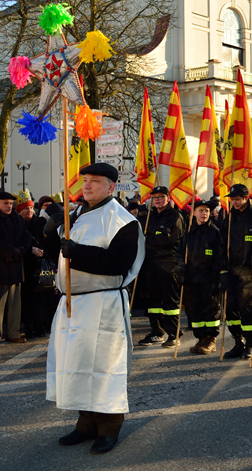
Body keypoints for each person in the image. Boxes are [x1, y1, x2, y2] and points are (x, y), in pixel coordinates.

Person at [49, 162, 144, 455]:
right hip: (73, 303)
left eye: (95, 181)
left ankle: (109, 427)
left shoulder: (123, 221)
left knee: (104, 368)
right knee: (76, 365)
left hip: (103, 304)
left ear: (111, 186)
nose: (87, 185)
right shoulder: (75, 214)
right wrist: (49, 233)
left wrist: (79, 253)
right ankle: (85, 422)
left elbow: (117, 263)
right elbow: (61, 254)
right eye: (85, 180)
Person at [220, 184, 252, 359]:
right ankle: (237, 342)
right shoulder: (228, 217)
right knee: (230, 309)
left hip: (249, 273)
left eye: (238, 199)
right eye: (232, 200)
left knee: (247, 309)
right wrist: (223, 270)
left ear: (247, 198)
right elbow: (221, 245)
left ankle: (250, 344)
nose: (235, 202)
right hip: (231, 271)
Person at [0, 191, 32, 346]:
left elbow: (26, 236)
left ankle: (13, 333)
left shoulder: (17, 218)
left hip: (15, 265)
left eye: (10, 203)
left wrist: (20, 250)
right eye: (5, 203)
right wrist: (10, 251)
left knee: (15, 303)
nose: (9, 206)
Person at [136, 186, 185, 348]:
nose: (157, 200)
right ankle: (157, 332)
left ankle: (174, 333)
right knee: (153, 300)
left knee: (170, 301)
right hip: (150, 264)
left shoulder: (174, 216)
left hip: (169, 264)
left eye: (161, 197)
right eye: (155, 197)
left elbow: (168, 239)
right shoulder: (150, 216)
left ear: (168, 198)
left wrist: (147, 240)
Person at [177, 199, 225, 354]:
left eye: (206, 211)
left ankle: (211, 339)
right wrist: (181, 272)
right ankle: (201, 338)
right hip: (193, 278)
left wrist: (217, 278)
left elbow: (220, 256)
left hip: (209, 279)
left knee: (211, 310)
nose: (204, 213)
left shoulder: (214, 232)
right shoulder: (189, 233)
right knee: (195, 310)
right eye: (201, 210)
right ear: (194, 213)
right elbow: (180, 254)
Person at [17, 189, 49, 338]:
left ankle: (40, 325)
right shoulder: (17, 224)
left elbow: (47, 240)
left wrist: (41, 249)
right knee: (27, 298)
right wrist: (30, 249)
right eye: (25, 209)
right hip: (26, 265)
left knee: (42, 298)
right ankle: (29, 326)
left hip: (41, 264)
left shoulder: (40, 222)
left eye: (30, 208)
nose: (28, 211)